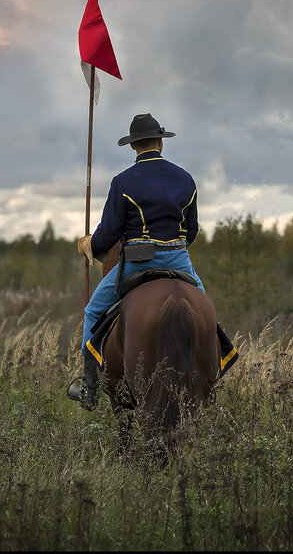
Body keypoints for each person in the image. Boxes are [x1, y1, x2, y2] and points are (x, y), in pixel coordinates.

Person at [67, 112, 207, 409]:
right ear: (160, 142)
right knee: (208, 313)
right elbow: (191, 230)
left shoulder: (123, 181)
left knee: (92, 311)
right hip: (180, 260)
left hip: (139, 261)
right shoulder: (186, 179)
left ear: (133, 146)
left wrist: (89, 243)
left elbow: (108, 235)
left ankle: (90, 387)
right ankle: (214, 370)